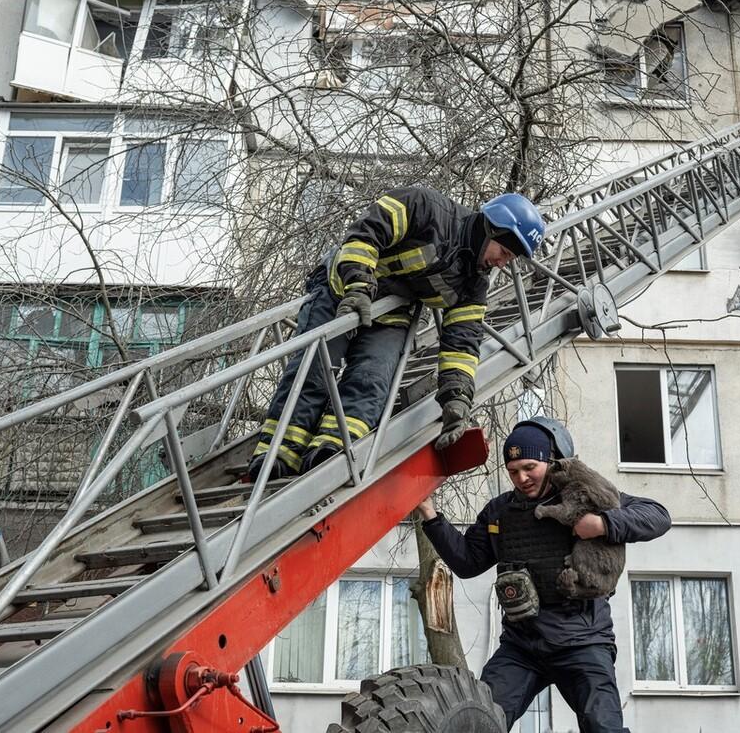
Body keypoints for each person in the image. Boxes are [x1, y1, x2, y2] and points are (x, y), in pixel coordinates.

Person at [246, 186, 545, 481]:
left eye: (509, 259)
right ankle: (278, 453)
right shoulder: (425, 206)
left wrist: (457, 399)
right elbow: (366, 233)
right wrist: (358, 285)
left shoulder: (474, 284)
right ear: (491, 228)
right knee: (314, 372)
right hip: (340, 291)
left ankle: (334, 450)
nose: (501, 263)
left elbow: (462, 343)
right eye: (503, 251)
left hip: (390, 313)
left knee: (372, 380)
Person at [416, 418, 671, 733]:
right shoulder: (499, 512)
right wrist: (431, 516)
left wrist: (603, 524)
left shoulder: (585, 497)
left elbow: (658, 515)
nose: (521, 478)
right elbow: (468, 562)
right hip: (522, 646)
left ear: (552, 461)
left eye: (529, 467)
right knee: (478, 723)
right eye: (512, 471)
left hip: (582, 640)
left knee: (603, 727)